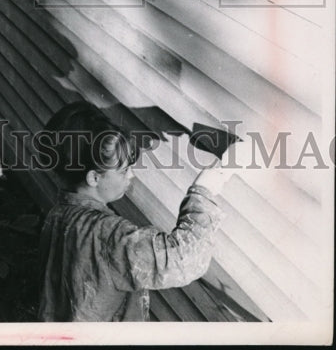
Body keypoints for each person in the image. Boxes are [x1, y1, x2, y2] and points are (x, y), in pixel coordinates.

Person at [38, 101, 234, 322]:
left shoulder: (58, 214)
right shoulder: (108, 237)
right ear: (94, 178)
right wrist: (204, 190)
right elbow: (184, 258)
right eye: (123, 170)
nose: (131, 175)